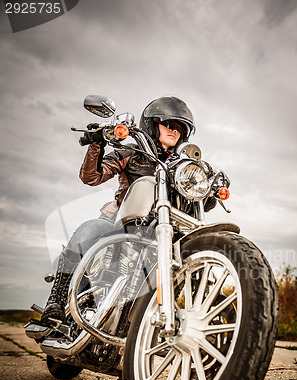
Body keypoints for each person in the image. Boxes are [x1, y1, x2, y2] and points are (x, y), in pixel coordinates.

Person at [41, 96, 195, 324]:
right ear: (153, 125)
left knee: (186, 255)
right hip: (121, 221)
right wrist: (97, 143)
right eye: (169, 124)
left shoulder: (182, 167)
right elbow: (91, 177)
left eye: (180, 128)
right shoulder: (132, 153)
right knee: (88, 229)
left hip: (159, 231)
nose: (175, 131)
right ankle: (58, 298)